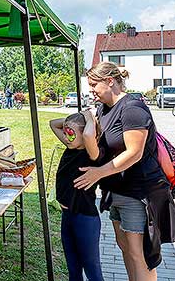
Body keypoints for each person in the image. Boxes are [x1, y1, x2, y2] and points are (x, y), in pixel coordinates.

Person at [74, 61, 175, 280]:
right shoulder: (104, 109)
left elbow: (134, 153)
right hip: (116, 191)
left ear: (110, 82)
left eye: (93, 85)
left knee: (140, 256)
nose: (90, 90)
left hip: (138, 193)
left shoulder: (132, 108)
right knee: (125, 248)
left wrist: (98, 172)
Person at [50, 111, 103, 281]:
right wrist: (72, 122)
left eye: (71, 134)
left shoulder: (91, 153)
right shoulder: (70, 147)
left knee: (92, 270)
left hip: (84, 219)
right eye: (65, 133)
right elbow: (52, 123)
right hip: (68, 216)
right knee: (73, 269)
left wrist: (88, 117)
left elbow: (88, 134)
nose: (66, 137)